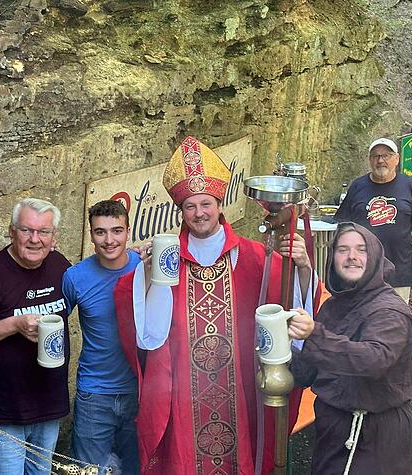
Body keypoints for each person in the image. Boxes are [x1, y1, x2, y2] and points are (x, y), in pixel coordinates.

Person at [113, 136, 316, 475]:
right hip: (183, 393)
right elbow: (141, 324)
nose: (199, 213)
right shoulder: (168, 259)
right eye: (190, 207)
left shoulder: (253, 255)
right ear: (181, 212)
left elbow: (293, 305)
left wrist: (304, 267)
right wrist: (145, 276)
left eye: (205, 204)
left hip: (242, 387)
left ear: (219, 205)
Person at [289, 222, 412, 474]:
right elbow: (308, 371)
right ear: (333, 257)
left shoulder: (389, 311)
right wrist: (272, 349)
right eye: (343, 249)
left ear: (375, 256)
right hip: (333, 430)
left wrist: (314, 333)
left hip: (377, 435)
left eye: (361, 250)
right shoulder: (333, 307)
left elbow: (373, 360)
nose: (352, 257)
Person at [0, 198, 71, 475]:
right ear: (11, 231)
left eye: (43, 232)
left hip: (49, 404)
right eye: (26, 230)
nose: (34, 239)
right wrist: (14, 325)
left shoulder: (60, 265)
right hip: (6, 411)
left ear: (54, 237)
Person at [62, 200, 140, 474]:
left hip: (138, 390)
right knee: (90, 470)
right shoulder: (75, 277)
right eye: (100, 232)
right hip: (94, 394)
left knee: (136, 468)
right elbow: (53, 320)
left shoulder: (145, 267)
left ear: (128, 231)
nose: (109, 240)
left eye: (116, 231)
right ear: (91, 234)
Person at [335, 137, 412, 303]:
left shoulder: (408, 185)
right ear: (370, 160)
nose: (380, 160)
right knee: (361, 317)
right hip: (362, 269)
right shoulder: (357, 186)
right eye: (375, 156)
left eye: (386, 155)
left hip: (398, 269)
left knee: (395, 318)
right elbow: (342, 227)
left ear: (397, 159)